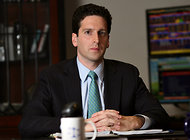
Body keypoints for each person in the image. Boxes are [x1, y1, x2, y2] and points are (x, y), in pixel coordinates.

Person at [19, 3, 169, 137]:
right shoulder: (52, 77)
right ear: (75, 39)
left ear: (108, 40)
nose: (96, 40)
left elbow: (160, 116)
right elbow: (28, 124)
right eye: (88, 32)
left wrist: (134, 122)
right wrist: (81, 126)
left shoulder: (128, 74)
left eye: (101, 33)